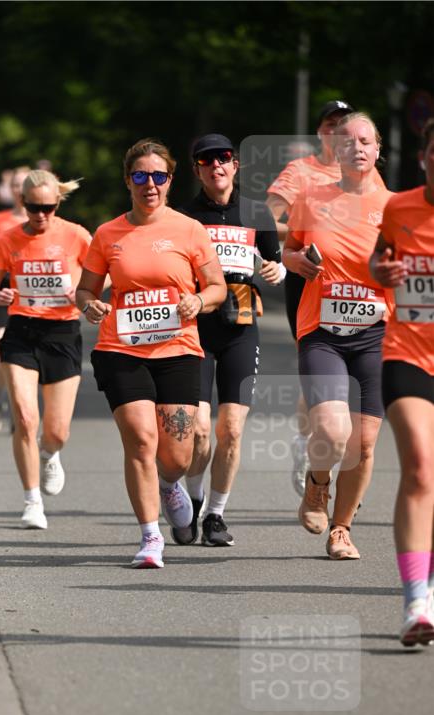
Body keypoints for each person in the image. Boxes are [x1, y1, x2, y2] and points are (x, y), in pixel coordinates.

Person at [76, 138, 226, 568]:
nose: (150, 184)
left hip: (178, 349)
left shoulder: (189, 230)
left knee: (177, 456)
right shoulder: (108, 234)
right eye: (140, 176)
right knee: (141, 439)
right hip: (121, 349)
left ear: (170, 180)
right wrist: (90, 305)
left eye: (158, 176)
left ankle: (169, 483)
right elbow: (85, 290)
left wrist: (199, 301)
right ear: (128, 181)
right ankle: (150, 536)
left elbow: (216, 287)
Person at [283, 112, 392, 560]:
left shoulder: (397, 207)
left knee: (363, 444)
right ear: (335, 150)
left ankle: (341, 529)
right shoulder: (312, 198)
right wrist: (295, 261)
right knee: (331, 430)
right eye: (347, 141)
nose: (357, 148)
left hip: (378, 334)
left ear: (378, 149)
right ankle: (317, 484)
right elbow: (289, 250)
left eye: (365, 141)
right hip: (323, 331)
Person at [176, 133, 284, 547]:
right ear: (197, 170)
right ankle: (195, 499)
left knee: (232, 430)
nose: (215, 166)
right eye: (206, 161)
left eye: (222, 158)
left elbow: (276, 263)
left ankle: (215, 516)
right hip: (197, 328)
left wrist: (277, 272)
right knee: (199, 431)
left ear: (235, 165)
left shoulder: (256, 212)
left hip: (240, 327)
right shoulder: (184, 217)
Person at [0, 169, 92, 529]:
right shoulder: (7, 238)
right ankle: (32, 501)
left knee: (57, 431)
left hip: (62, 334)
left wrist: (83, 294)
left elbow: (102, 277)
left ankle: (50, 453)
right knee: (26, 419)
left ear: (58, 203)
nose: (41, 215)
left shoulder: (76, 235)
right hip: (21, 333)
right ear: (22, 202)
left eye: (48, 207)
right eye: (33, 207)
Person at [268, 100, 364, 496]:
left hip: (357, 286)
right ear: (320, 132)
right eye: (330, 124)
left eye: (345, 124)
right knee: (319, 369)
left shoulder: (364, 172)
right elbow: (267, 218)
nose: (337, 131)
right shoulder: (301, 171)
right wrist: (304, 233)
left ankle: (330, 451)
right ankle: (307, 444)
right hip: (310, 279)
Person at [369, 117, 434, 646]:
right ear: (424, 158)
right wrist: (382, 272)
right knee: (419, 465)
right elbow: (380, 257)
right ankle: (415, 601)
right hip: (407, 352)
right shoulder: (400, 207)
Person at [0, 166, 31, 431]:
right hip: (2, 292)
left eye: (24, 184)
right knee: (2, 354)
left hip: (31, 295)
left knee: (21, 358)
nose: (19, 189)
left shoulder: (44, 220)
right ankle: (0, 400)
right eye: (14, 184)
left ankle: (14, 407)